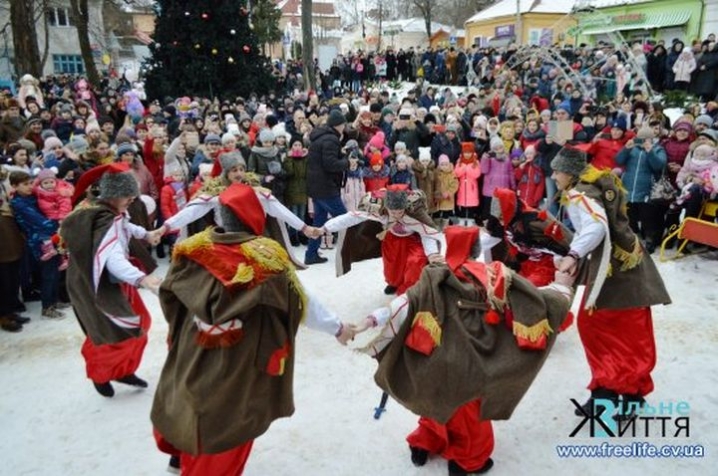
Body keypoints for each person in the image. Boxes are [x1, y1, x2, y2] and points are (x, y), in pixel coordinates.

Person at [151, 183, 355, 475]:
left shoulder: (193, 249)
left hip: (192, 345)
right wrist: (337, 328)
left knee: (187, 395)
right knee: (229, 416)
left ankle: (180, 451)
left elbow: (170, 296)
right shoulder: (264, 259)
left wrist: (181, 332)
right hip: (236, 356)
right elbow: (300, 300)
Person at [352, 225, 574, 475]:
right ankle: (467, 460)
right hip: (472, 361)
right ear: (476, 250)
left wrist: (370, 320)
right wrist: (562, 287)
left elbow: (403, 304)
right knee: (468, 412)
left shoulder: (434, 275)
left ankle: (425, 442)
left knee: (434, 400)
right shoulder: (496, 274)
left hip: (434, 359)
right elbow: (534, 300)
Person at [550, 146, 671, 417]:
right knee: (618, 332)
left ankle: (623, 394)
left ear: (569, 172)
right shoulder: (587, 187)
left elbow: (596, 227)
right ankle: (609, 392)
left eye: (557, 171)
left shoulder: (580, 193)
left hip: (617, 274)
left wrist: (573, 254)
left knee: (609, 331)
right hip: (620, 271)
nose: (554, 176)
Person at [60, 168, 164, 397]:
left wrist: (145, 234)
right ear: (113, 194)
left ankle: (122, 370)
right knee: (107, 332)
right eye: (127, 194)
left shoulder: (112, 211)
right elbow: (112, 258)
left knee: (139, 323)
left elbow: (125, 225)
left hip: (113, 281)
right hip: (96, 285)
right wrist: (142, 279)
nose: (132, 199)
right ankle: (101, 374)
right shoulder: (103, 220)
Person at [317, 184, 443, 296]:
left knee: (415, 261)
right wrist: (325, 228)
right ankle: (393, 283)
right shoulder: (378, 209)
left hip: (412, 240)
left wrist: (432, 253)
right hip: (392, 240)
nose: (396, 215)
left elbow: (427, 233)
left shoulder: (415, 213)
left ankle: (410, 291)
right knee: (392, 266)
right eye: (393, 211)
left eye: (400, 212)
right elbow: (352, 217)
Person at [305, 109, 352, 265]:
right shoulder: (331, 139)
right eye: (343, 124)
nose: (344, 127)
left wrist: (341, 154)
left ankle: (311, 254)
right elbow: (330, 164)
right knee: (345, 219)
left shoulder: (321, 137)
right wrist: (347, 162)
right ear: (338, 125)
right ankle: (352, 250)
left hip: (316, 187)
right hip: (326, 188)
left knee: (318, 222)